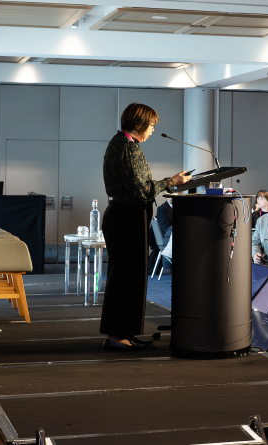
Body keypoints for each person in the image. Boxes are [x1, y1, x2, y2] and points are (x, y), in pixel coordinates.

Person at [100, 103, 192, 350]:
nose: (152, 130)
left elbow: (137, 184)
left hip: (123, 215)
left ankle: (124, 332)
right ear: (140, 124)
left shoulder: (120, 143)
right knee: (125, 278)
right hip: (127, 217)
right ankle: (117, 334)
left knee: (128, 277)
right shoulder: (128, 148)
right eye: (151, 125)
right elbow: (142, 190)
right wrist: (171, 181)